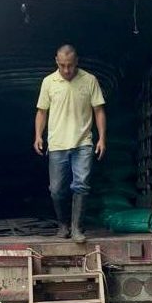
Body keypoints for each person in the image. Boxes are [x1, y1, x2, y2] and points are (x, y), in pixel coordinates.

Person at [33, 44, 106, 241]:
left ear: (77, 62)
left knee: (81, 185)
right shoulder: (49, 82)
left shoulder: (89, 80)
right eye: (63, 65)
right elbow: (42, 112)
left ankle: (77, 229)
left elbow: (99, 110)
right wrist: (38, 136)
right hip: (57, 144)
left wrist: (102, 138)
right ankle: (63, 225)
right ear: (57, 62)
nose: (67, 70)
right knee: (56, 189)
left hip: (83, 142)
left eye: (71, 66)